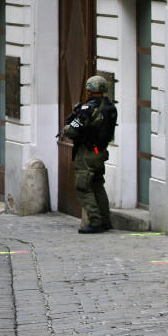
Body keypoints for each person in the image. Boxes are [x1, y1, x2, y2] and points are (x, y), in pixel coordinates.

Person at [61, 75, 118, 234]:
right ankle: (105, 220)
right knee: (98, 185)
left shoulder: (88, 108)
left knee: (83, 186)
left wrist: (69, 123)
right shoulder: (110, 107)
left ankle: (95, 221)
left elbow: (71, 130)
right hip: (100, 151)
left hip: (87, 152)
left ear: (90, 90)